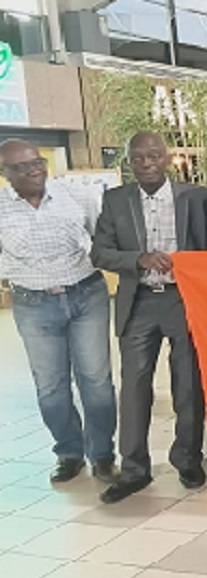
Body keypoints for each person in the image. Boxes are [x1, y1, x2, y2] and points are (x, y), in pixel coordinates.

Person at [91, 132, 207, 504]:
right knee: (134, 387)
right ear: (128, 162)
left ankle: (187, 459)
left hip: (183, 300)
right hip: (138, 301)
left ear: (168, 158)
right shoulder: (115, 200)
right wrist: (138, 259)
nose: (146, 163)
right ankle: (134, 470)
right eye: (138, 157)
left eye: (154, 155)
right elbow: (99, 253)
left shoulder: (196, 197)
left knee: (188, 384)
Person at [0, 140, 117, 484]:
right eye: (22, 167)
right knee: (50, 386)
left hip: (86, 295)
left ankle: (102, 455)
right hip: (32, 304)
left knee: (96, 381)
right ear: (6, 173)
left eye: (37, 162)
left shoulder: (76, 195)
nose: (34, 170)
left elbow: (101, 240)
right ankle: (69, 452)